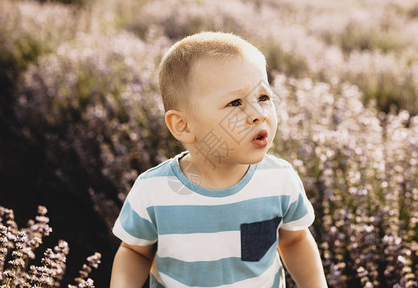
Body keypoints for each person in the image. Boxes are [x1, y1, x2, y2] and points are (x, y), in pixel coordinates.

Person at [110, 31, 327, 288]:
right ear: (183, 126)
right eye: (235, 103)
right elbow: (135, 252)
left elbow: (294, 240)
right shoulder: (154, 190)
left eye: (263, 97)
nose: (258, 114)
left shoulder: (280, 180)